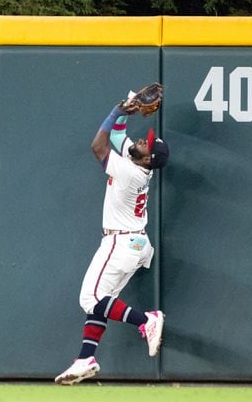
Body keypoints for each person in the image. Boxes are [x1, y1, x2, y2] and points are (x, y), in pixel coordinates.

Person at [55, 94, 170, 385]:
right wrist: (126, 107)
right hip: (132, 243)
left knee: (90, 298)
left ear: (148, 159)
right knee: (102, 301)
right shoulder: (138, 161)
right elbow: (118, 135)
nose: (143, 140)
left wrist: (115, 111)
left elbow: (98, 146)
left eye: (147, 144)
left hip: (121, 243)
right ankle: (85, 359)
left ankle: (147, 321)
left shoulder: (132, 172)